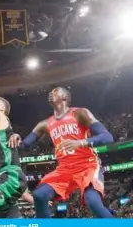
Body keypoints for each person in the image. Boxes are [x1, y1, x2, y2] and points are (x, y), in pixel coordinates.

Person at [7, 87, 114, 218]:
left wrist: (80, 142)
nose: (51, 93)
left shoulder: (80, 112)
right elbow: (23, 145)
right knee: (39, 195)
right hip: (64, 169)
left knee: (92, 201)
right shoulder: (45, 124)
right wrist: (16, 136)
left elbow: (107, 137)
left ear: (65, 97)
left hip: (87, 165)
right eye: (50, 92)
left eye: (55, 91)